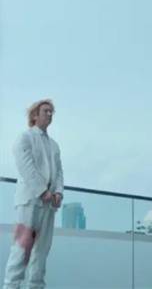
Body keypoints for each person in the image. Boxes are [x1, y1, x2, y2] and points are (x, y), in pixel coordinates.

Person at [3, 99, 64, 289]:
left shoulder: (54, 145)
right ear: (35, 115)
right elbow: (25, 166)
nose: (50, 114)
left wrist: (58, 192)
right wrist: (42, 191)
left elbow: (59, 172)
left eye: (52, 112)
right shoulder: (25, 138)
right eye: (46, 111)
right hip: (29, 201)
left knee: (42, 252)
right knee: (21, 249)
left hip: (48, 205)